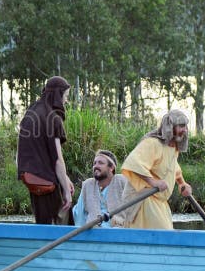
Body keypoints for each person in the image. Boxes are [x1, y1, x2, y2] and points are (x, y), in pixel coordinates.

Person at [109, 109, 193, 229]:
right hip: (143, 199)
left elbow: (174, 169)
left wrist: (182, 184)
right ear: (170, 126)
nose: (184, 130)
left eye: (185, 126)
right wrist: (154, 182)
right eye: (181, 126)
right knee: (161, 235)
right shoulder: (152, 143)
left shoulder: (172, 148)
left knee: (167, 235)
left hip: (159, 202)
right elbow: (134, 163)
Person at [17, 76, 75, 225]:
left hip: (32, 180)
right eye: (66, 96)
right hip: (48, 182)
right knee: (60, 224)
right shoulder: (53, 118)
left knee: (42, 223)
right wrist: (67, 192)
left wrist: (66, 179)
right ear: (58, 94)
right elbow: (57, 159)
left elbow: (35, 152)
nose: (66, 101)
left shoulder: (32, 112)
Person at [72, 149, 127, 227]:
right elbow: (79, 213)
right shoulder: (88, 185)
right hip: (93, 233)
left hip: (118, 232)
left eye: (100, 163)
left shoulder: (121, 181)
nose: (96, 166)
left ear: (111, 168)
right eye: (94, 163)